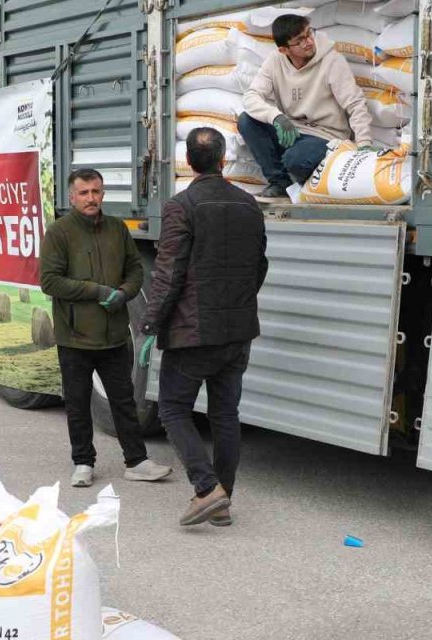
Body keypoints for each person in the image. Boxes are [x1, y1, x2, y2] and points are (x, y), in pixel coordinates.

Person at [139, 128, 268, 527]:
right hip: (238, 330)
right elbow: (259, 266)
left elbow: (169, 274)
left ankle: (206, 487)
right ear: (223, 160)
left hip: (195, 331)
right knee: (225, 414)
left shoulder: (183, 206)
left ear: (189, 163)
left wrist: (149, 322)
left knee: (173, 408)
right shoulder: (249, 205)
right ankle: (222, 500)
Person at [39, 168, 173, 488]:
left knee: (123, 399)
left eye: (96, 192)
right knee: (78, 401)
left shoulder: (117, 229)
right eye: (84, 193)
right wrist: (98, 292)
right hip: (75, 335)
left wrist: (125, 294)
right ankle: (83, 462)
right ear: (72, 197)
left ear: (103, 194)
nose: (91, 198)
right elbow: (50, 281)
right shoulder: (59, 232)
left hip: (114, 334)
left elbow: (135, 270)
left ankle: (136, 461)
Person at [240, 13, 376, 201]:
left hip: (326, 137)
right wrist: (276, 117)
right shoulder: (274, 62)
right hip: (291, 132)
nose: (308, 42)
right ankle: (280, 183)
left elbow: (355, 103)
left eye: (308, 34)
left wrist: (365, 145)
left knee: (295, 159)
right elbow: (250, 96)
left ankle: (304, 181)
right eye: (299, 40)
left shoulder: (332, 60)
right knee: (247, 121)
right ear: (284, 50)